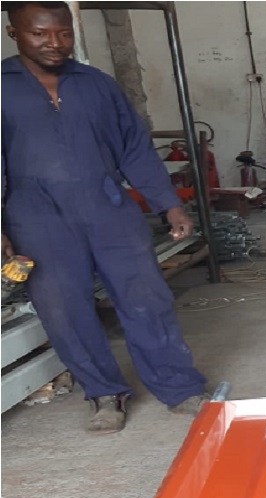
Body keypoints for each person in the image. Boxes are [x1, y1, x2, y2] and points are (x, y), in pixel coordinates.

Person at [2, 1, 207, 433]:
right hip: (36, 214)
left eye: (63, 33)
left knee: (146, 297)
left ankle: (179, 386)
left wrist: (167, 202)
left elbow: (133, 147)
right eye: (40, 33)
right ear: (13, 32)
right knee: (64, 309)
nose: (55, 43)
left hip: (108, 206)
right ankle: (104, 393)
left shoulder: (96, 84)